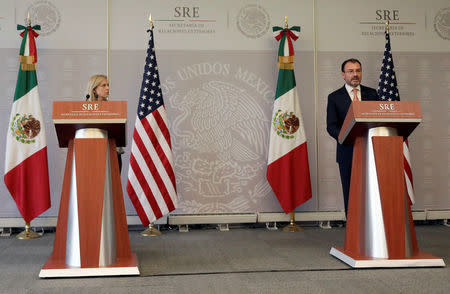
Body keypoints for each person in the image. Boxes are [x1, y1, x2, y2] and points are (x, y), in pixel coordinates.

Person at [326, 58, 379, 216]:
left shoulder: (372, 94)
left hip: (371, 151)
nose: (355, 74)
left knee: (371, 192)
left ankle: (373, 228)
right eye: (351, 71)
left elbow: (379, 120)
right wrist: (346, 136)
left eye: (358, 71)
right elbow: (331, 126)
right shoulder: (334, 97)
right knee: (351, 192)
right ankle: (353, 230)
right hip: (347, 152)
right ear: (343, 75)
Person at [85, 74, 124, 171]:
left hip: (112, 154)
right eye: (103, 85)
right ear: (94, 89)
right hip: (91, 154)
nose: (108, 88)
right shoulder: (83, 110)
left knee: (113, 185)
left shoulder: (113, 109)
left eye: (108, 85)